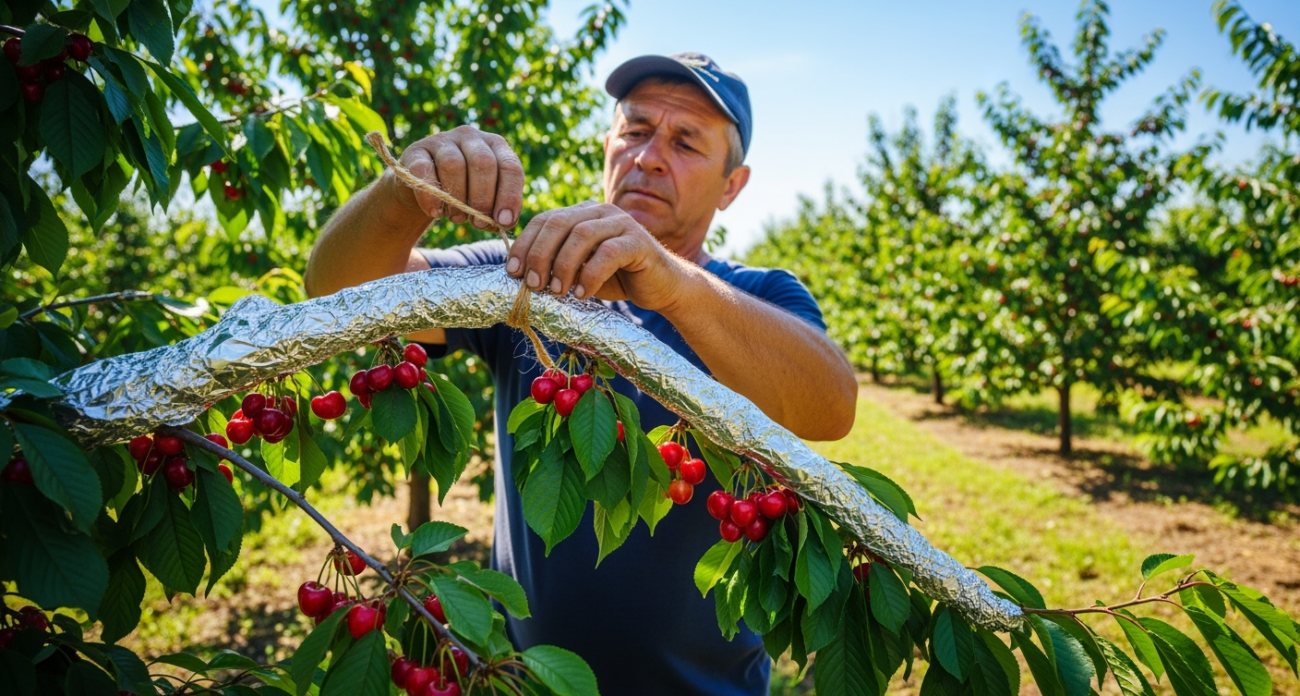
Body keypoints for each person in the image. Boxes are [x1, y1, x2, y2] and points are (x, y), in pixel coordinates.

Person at [305, 52, 857, 695]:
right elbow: (335, 295)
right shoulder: (530, 276)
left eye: (685, 142)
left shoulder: (757, 298)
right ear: (606, 145)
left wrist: (673, 283)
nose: (650, 156)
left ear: (732, 186)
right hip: (528, 684)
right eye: (635, 129)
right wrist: (402, 194)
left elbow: (831, 406)